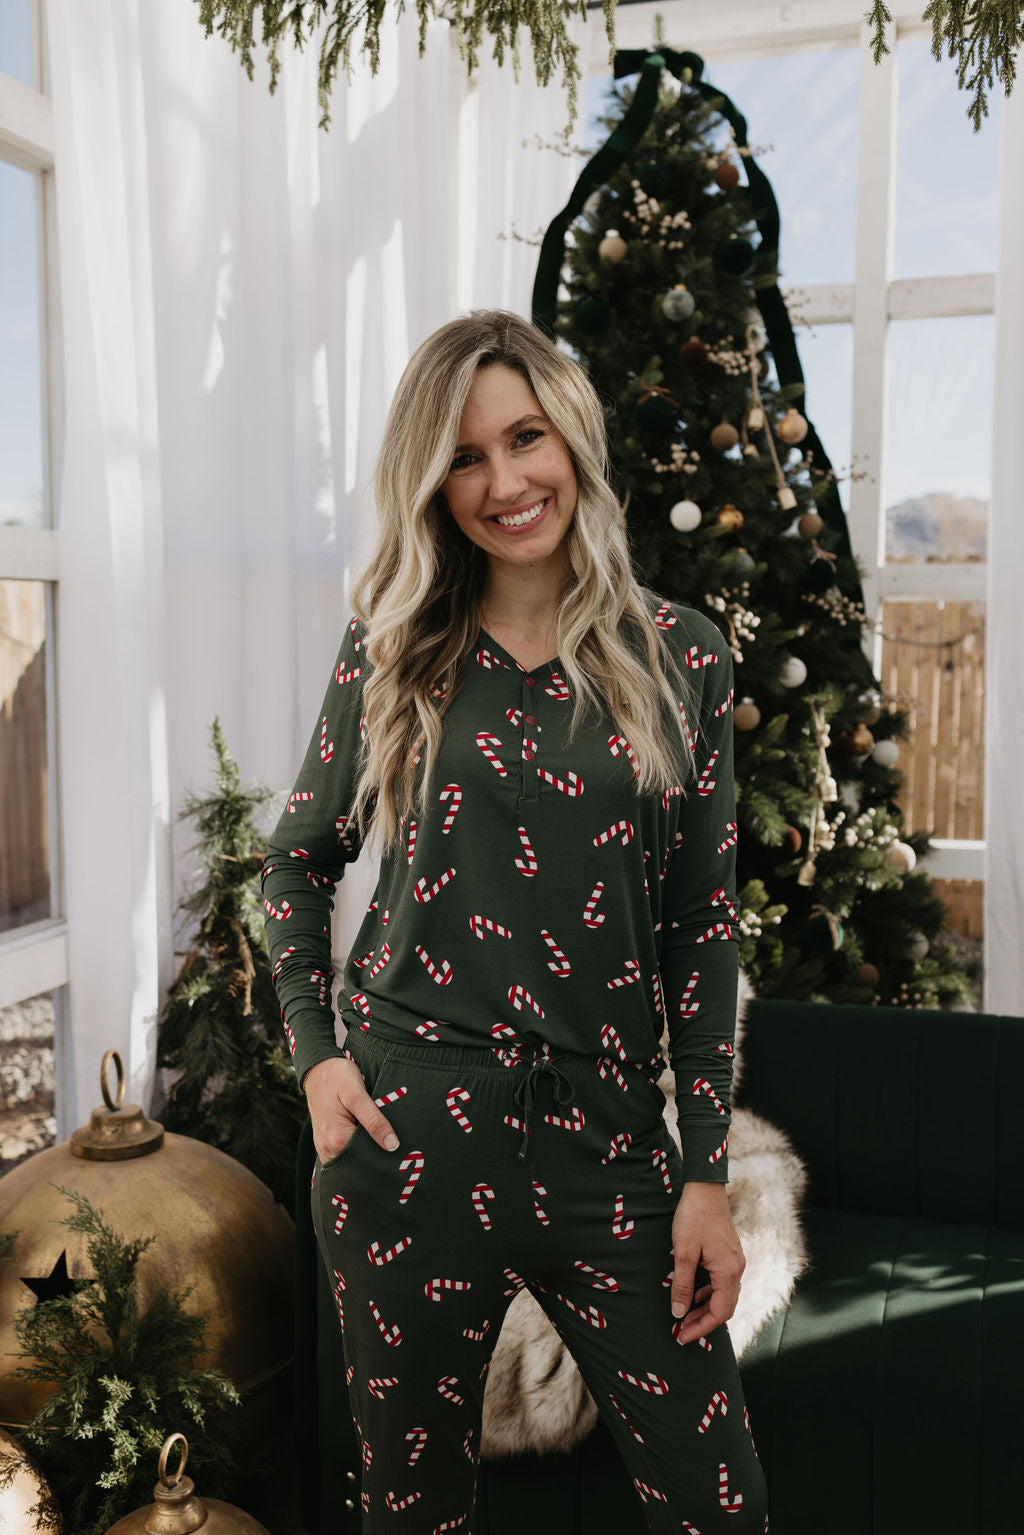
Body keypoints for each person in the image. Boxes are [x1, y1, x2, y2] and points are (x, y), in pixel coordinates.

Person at [261, 308, 769, 1534]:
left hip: (605, 1141)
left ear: (573, 439)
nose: (504, 482)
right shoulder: (393, 648)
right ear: (432, 484)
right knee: (412, 1510)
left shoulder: (677, 655)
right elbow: (295, 862)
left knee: (718, 1504)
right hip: (407, 1132)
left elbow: (703, 927)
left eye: (525, 437)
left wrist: (702, 1172)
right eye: (466, 457)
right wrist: (317, 1058)